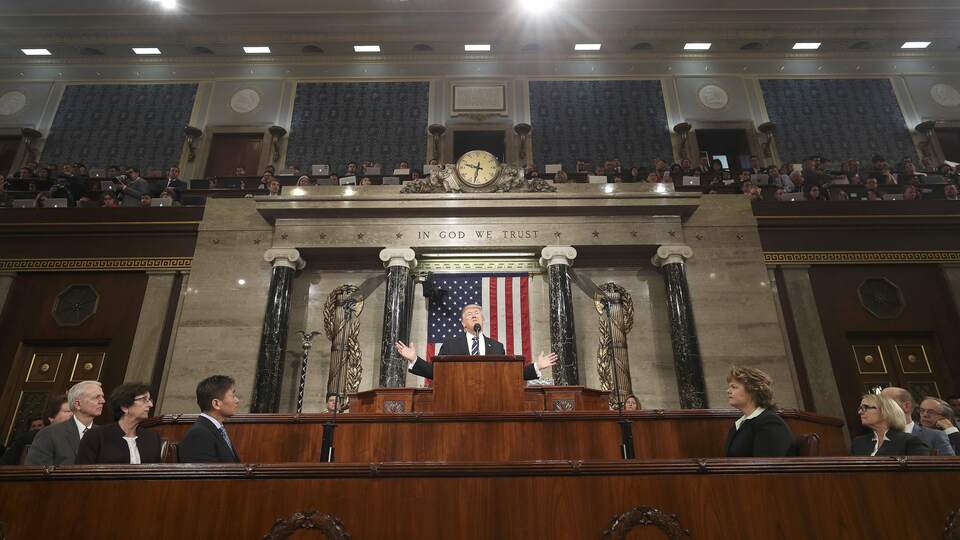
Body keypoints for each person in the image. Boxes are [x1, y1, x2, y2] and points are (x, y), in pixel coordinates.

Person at [395, 304, 557, 381]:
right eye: (469, 314)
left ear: (483, 320)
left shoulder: (496, 347)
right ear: (463, 323)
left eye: (477, 313)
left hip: (492, 403)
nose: (474, 315)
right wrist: (414, 359)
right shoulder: (451, 345)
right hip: (457, 403)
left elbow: (508, 374)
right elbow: (437, 373)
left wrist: (537, 366)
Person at [75, 383, 162, 464]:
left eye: (150, 400)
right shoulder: (96, 436)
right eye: (144, 399)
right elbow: (81, 474)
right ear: (125, 407)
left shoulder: (152, 438)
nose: (150, 404)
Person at [26, 381, 105, 465]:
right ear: (78, 404)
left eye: (102, 397)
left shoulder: (105, 435)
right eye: (96, 397)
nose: (102, 401)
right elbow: (36, 471)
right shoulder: (49, 434)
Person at [723, 366, 793, 457]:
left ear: (752, 390)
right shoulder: (739, 424)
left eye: (734, 387)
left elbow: (766, 465)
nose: (728, 391)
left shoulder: (770, 422)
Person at [178, 375, 242, 463]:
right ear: (216, 403)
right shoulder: (199, 434)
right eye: (233, 396)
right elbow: (205, 474)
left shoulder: (215, 429)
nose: (237, 400)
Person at [881, 386, 954, 455]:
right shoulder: (876, 435)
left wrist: (951, 430)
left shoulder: (936, 436)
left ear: (906, 406)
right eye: (922, 410)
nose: (925, 415)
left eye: (931, 412)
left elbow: (951, 465)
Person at [1, 395, 72, 465]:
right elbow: (5, 466)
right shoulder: (28, 438)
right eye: (68, 411)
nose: (72, 414)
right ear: (51, 417)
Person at [851, 393, 928, 456]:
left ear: (886, 411)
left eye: (865, 407)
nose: (860, 412)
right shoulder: (858, 443)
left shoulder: (909, 441)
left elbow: (922, 473)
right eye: (860, 408)